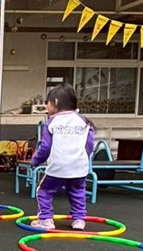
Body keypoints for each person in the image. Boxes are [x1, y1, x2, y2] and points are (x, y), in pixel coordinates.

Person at [28, 84, 94, 230]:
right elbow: (89, 144)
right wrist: (83, 157)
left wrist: (36, 161)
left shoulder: (52, 122)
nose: (47, 106)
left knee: (44, 191)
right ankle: (79, 220)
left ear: (56, 102)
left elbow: (45, 147)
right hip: (79, 167)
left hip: (58, 167)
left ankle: (45, 219)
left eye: (48, 103)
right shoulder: (83, 121)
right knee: (77, 192)